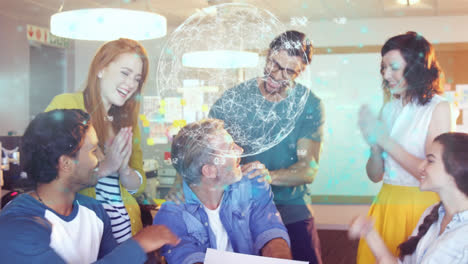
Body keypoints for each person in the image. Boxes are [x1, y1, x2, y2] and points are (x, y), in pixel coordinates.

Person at [0, 109, 179, 263]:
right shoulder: (17, 226)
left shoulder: (94, 210)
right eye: (94, 150)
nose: (101, 159)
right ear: (66, 163)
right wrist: (138, 246)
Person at [208, 30, 324, 264]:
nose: (275, 74)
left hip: (292, 212)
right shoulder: (233, 99)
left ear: (300, 72)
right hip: (241, 212)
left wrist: (267, 176)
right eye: (273, 63)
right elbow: (207, 153)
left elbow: (308, 170)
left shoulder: (309, 105)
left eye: (289, 71)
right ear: (268, 55)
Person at [356, 31, 453, 263]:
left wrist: (384, 139)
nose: (386, 74)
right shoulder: (388, 108)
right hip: (385, 202)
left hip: (421, 206)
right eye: (383, 67)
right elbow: (374, 175)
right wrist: (375, 146)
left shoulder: (438, 108)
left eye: (393, 67)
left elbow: (431, 172)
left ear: (416, 67)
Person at [45, 38, 148, 243]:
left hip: (126, 233)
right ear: (101, 68)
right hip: (83, 234)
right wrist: (105, 168)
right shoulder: (66, 105)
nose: (130, 84)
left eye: (137, 79)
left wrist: (125, 170)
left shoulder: (127, 121)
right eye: (125, 73)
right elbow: (48, 172)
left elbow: (140, 184)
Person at [153, 119, 292, 264]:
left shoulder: (252, 184)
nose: (240, 150)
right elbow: (189, 258)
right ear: (209, 171)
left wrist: (280, 259)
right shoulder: (171, 216)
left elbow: (270, 231)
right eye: (230, 148)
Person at [349, 132, 468, 263]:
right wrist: (369, 233)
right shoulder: (431, 214)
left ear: (455, 169)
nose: (421, 166)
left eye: (430, 160)